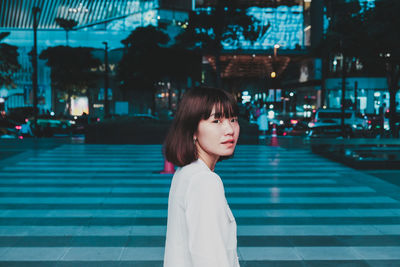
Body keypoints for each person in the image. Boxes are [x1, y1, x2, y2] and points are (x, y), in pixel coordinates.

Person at [163, 86, 240, 267]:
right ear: (193, 130)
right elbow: (210, 259)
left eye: (233, 119)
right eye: (216, 121)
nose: (229, 129)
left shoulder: (186, 173)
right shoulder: (205, 181)